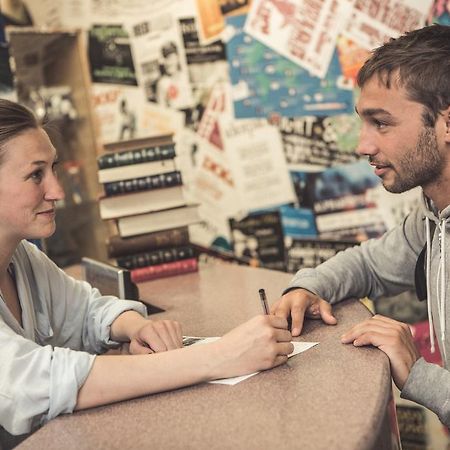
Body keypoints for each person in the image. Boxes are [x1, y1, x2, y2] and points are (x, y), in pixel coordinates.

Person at [0, 98, 293, 440]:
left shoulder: (22, 259)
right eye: (36, 174)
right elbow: (37, 384)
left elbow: (88, 310)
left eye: (54, 169)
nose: (57, 191)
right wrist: (221, 356)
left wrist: (134, 327)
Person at [272, 24, 450, 427]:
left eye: (381, 123)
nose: (363, 145)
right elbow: (369, 264)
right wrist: (308, 286)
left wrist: (418, 373)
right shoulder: (434, 216)